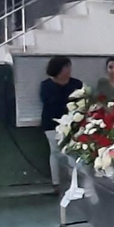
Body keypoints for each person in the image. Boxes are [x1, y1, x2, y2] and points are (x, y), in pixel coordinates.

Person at [39, 56, 81, 190]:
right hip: (52, 123)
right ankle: (56, 182)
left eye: (69, 67)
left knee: (72, 151)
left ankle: (73, 181)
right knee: (56, 151)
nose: (69, 70)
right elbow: (49, 102)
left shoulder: (76, 84)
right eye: (66, 67)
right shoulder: (46, 85)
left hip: (72, 123)